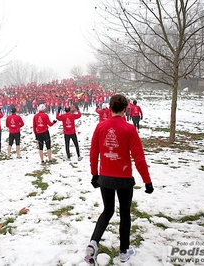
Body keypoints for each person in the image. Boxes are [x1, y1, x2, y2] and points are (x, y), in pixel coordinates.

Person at [85, 94, 154, 264]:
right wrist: (147, 181)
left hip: (105, 178)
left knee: (107, 211)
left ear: (109, 108)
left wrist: (94, 174)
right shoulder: (129, 129)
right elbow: (139, 158)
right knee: (124, 213)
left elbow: (94, 152)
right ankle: (124, 251)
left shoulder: (100, 127)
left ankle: (93, 242)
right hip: (124, 178)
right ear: (125, 109)